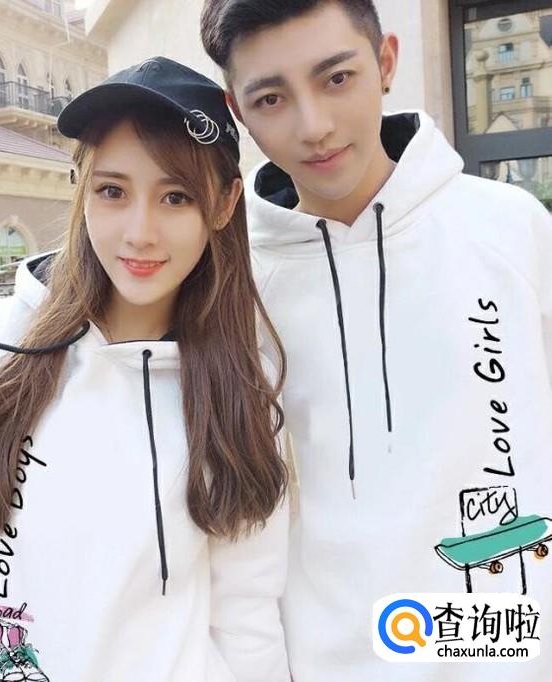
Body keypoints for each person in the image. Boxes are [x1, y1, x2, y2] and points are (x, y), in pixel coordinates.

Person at [0, 57, 291, 682]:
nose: (139, 232)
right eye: (112, 191)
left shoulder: (240, 391)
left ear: (226, 203)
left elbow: (246, 616)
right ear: (82, 187)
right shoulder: (1, 339)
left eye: (175, 197)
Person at [200, 1, 552, 679]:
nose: (314, 125)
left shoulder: (512, 231)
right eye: (272, 98)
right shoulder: (232, 286)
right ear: (237, 111)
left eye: (337, 78)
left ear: (386, 62)